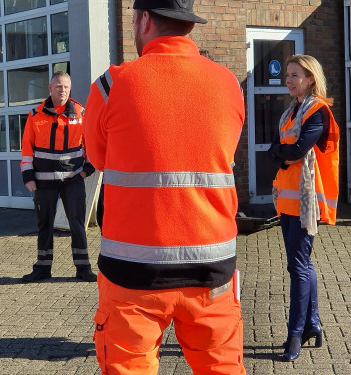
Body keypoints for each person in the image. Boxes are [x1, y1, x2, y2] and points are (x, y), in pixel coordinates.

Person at [83, 1, 246, 374]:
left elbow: (99, 159)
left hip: (133, 274)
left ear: (143, 20)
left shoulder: (110, 86)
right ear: (187, 23)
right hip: (212, 271)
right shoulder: (228, 84)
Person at [268, 55, 339, 361]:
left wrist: (284, 155)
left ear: (310, 78)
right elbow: (273, 149)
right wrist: (284, 155)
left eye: (295, 75)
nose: (289, 80)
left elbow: (298, 149)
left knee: (298, 267)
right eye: (287, 75)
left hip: (306, 203)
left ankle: (295, 334)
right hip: (287, 201)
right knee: (300, 265)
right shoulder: (288, 113)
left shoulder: (317, 111)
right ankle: (312, 325)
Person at [21, 71, 97, 283]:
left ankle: (83, 268)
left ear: (70, 88)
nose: (62, 90)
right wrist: (28, 177)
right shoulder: (35, 114)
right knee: (44, 225)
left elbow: (90, 143)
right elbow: (27, 148)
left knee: (77, 224)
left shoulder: (80, 113)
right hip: (43, 183)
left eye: (65, 86)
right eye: (58, 86)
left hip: (73, 180)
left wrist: (85, 171)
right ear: (49, 88)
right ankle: (42, 268)